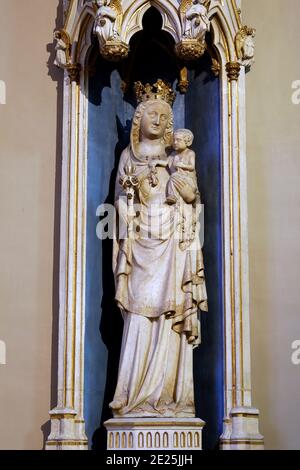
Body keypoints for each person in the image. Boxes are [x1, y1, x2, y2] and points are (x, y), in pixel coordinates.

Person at [109, 84, 208, 418]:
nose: (159, 118)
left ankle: (171, 399)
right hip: (140, 245)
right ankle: (129, 394)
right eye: (152, 112)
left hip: (173, 244)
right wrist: (130, 202)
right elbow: (120, 206)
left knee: (169, 317)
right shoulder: (128, 157)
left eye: (164, 115)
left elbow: (192, 198)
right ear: (139, 118)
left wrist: (188, 196)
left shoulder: (178, 158)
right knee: (138, 316)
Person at [166, 128, 196, 205]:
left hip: (188, 180)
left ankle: (172, 195)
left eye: (178, 140)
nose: (175, 142)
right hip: (176, 178)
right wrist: (156, 162)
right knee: (173, 176)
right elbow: (166, 163)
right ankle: (172, 196)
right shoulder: (173, 154)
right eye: (174, 140)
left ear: (187, 142)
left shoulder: (190, 153)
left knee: (173, 176)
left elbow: (192, 166)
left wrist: (183, 165)